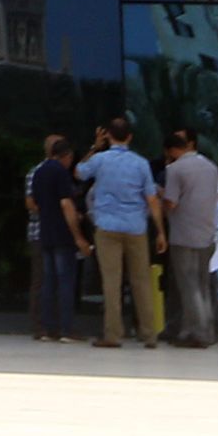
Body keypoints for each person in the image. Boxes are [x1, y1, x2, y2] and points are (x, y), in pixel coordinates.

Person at [81, 117, 159, 350]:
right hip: (136, 226)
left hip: (107, 227)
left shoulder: (100, 160)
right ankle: (149, 334)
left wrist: (95, 146)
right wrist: (161, 231)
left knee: (111, 282)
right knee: (141, 282)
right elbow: (152, 198)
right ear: (130, 137)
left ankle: (113, 334)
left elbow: (79, 173)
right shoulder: (141, 163)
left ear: (109, 136)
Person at [158, 128, 218, 348]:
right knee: (203, 285)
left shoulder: (175, 169)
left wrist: (160, 197)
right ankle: (206, 329)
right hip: (208, 233)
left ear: (171, 150)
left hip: (184, 234)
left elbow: (172, 203)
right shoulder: (210, 167)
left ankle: (198, 333)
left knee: (189, 287)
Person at [26, 133, 87, 342]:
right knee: (65, 281)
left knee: (48, 282)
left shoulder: (38, 172)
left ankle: (47, 327)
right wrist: (78, 236)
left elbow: (35, 203)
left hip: (45, 232)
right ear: (66, 155)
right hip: (62, 234)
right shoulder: (61, 172)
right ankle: (66, 328)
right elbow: (65, 204)